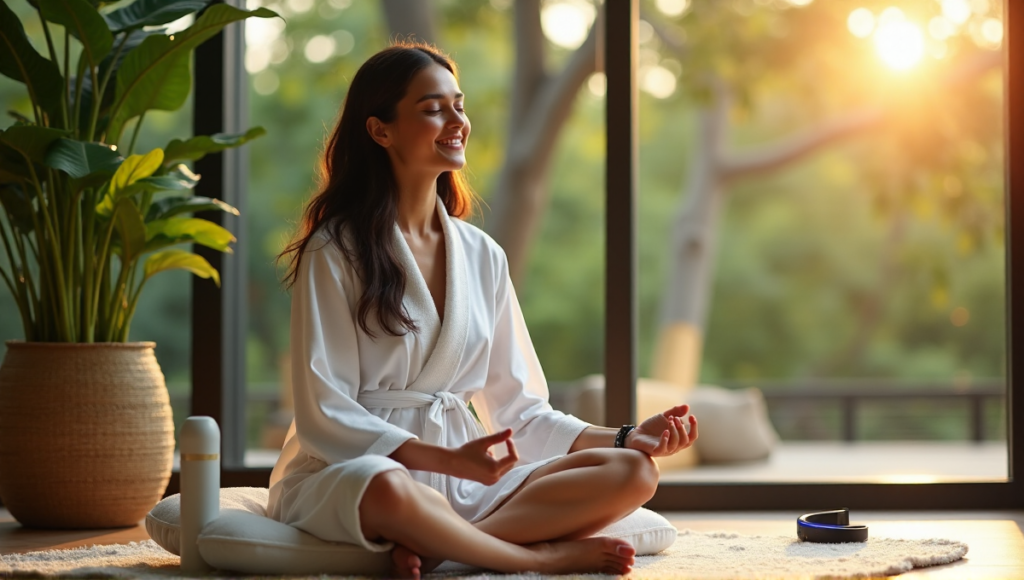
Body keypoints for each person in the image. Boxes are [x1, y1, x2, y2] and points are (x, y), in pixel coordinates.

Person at [270, 41, 699, 579]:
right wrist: (444, 460)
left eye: (459, 104)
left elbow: (521, 411)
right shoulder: (336, 249)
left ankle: (443, 550)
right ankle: (536, 557)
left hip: (466, 477)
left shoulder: (481, 255)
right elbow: (322, 412)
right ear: (380, 130)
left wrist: (624, 436)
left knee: (633, 472)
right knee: (388, 487)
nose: (456, 121)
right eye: (432, 108)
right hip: (360, 471)